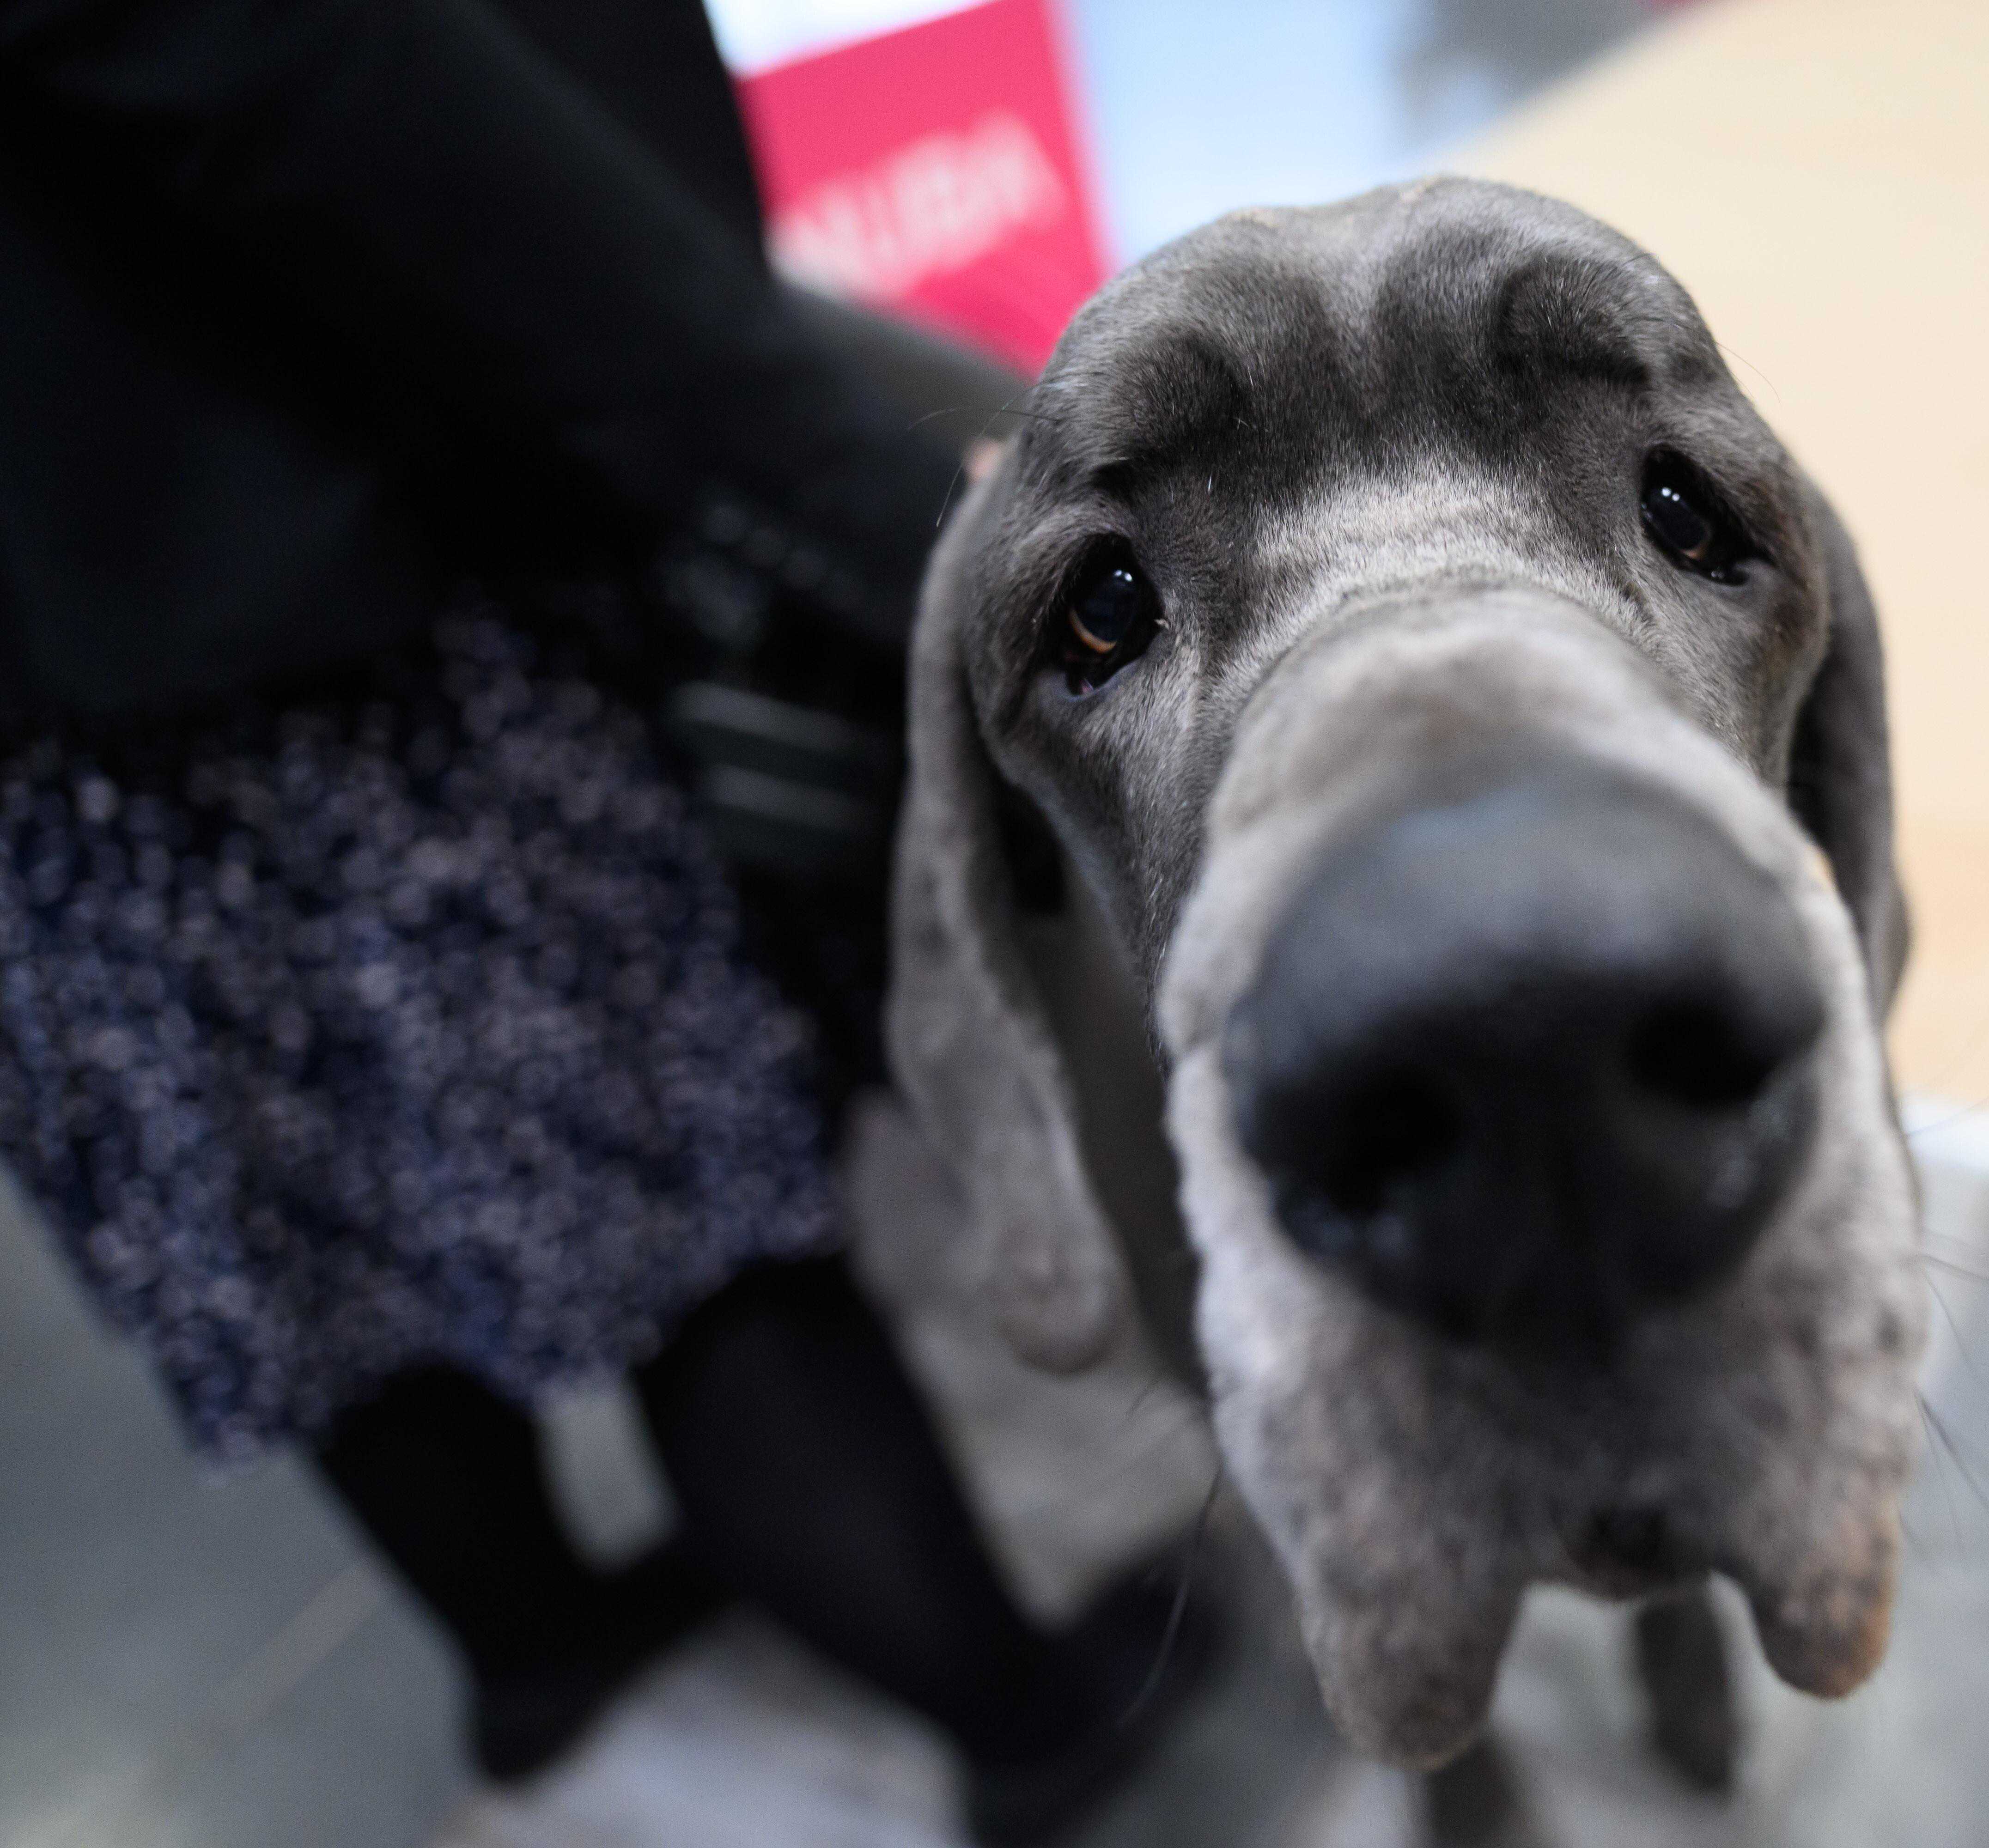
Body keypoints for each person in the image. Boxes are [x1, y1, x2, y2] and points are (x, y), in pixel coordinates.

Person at [0, 0, 1203, 1838]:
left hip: (61, 726)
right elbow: (342, 95)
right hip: (324, 624)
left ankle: (539, 1650)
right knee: (696, 1233)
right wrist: (893, 515)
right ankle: (1027, 1719)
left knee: (295, 1219)